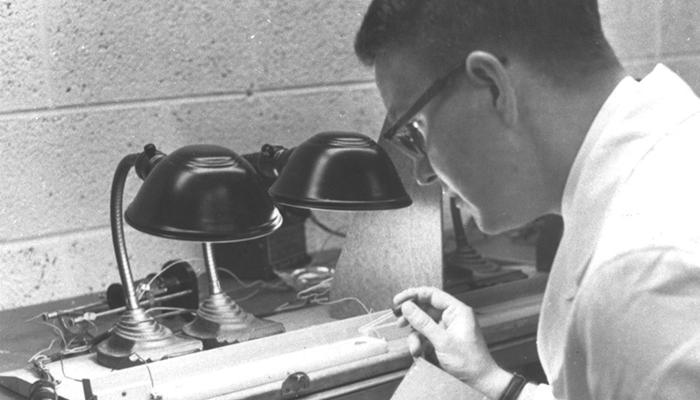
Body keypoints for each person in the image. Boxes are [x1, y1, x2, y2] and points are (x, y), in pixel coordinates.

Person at [353, 1, 700, 399]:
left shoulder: (642, 270)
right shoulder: (668, 155)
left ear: (493, 86)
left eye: (414, 129)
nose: (423, 172)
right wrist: (495, 384)